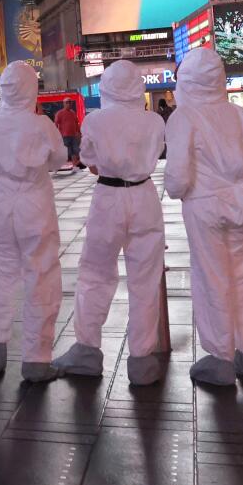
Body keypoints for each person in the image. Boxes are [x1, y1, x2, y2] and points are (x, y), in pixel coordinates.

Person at [164, 48, 243, 386]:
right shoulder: (241, 116)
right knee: (240, 278)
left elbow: (178, 179)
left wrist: (183, 191)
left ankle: (220, 358)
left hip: (206, 208)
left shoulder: (185, 117)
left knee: (212, 277)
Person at [52, 61, 168, 385]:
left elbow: (88, 160)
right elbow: (158, 153)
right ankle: (142, 360)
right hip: (145, 196)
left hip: (108, 197)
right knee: (145, 280)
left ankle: (87, 350)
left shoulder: (95, 120)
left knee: (95, 273)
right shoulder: (154, 121)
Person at [0, 62, 69, 382]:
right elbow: (59, 160)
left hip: (0, 206)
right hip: (35, 206)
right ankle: (36, 358)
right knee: (41, 278)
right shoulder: (41, 126)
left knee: (1, 275)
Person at [54, 98, 82, 167]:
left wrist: (79, 132)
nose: (69, 104)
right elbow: (55, 124)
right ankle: (56, 165)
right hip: (64, 136)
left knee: (75, 151)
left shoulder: (73, 112)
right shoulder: (60, 113)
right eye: (67, 102)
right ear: (64, 104)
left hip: (73, 135)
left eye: (70, 102)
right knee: (66, 152)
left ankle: (75, 166)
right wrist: (56, 134)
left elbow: (76, 123)